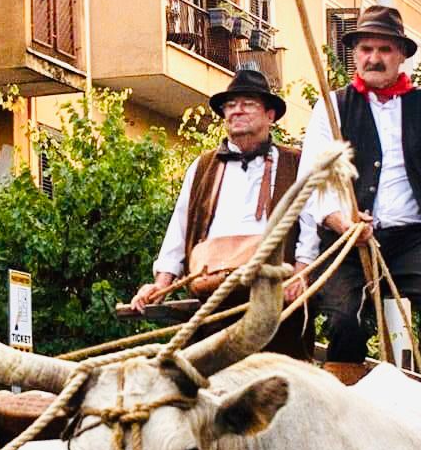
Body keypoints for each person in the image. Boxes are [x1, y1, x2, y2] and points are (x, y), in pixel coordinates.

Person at [295, 4, 421, 389]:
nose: (373, 58)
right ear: (354, 54)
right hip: (347, 239)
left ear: (402, 55)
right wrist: (341, 221)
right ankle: (346, 426)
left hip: (415, 237)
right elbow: (315, 183)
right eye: (366, 49)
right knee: (344, 321)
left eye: (384, 50)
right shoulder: (331, 109)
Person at [133, 63, 311, 357]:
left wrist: (302, 272)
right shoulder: (203, 166)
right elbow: (179, 229)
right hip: (213, 294)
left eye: (248, 104)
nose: (236, 111)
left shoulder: (296, 163)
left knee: (279, 382)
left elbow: (310, 223)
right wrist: (160, 284)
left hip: (276, 297)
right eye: (230, 106)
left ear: (270, 115)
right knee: (210, 381)